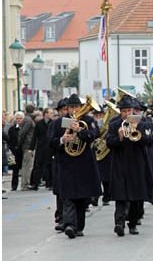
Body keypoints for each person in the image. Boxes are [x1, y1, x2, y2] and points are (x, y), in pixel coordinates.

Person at [49, 94, 101, 239]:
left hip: (84, 165)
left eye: (76, 107)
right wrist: (62, 140)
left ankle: (79, 227)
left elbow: (93, 136)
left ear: (81, 107)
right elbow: (51, 142)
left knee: (82, 199)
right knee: (68, 197)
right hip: (66, 164)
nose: (74, 110)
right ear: (67, 108)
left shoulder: (88, 121)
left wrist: (80, 131)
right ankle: (70, 225)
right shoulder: (59, 122)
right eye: (71, 107)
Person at [106, 95, 153, 236]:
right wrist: (119, 138)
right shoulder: (114, 124)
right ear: (120, 112)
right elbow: (109, 142)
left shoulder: (142, 123)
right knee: (120, 197)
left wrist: (138, 132)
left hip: (137, 164)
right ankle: (119, 223)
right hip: (120, 164)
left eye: (129, 111)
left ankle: (133, 223)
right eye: (124, 111)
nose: (127, 114)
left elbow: (149, 140)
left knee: (136, 197)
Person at [51, 98, 68, 231]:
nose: (66, 112)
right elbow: (51, 142)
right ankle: (61, 217)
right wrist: (62, 140)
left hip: (75, 162)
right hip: (61, 161)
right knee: (61, 192)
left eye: (68, 109)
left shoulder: (78, 122)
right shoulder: (56, 124)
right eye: (64, 110)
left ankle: (70, 218)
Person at [28, 108, 53, 190]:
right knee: (38, 165)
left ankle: (49, 184)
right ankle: (35, 184)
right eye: (50, 113)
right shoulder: (39, 124)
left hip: (50, 147)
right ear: (45, 114)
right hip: (41, 147)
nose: (51, 114)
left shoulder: (52, 123)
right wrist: (31, 148)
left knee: (49, 165)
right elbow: (35, 137)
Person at [18, 105, 36, 191]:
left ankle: (25, 184)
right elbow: (23, 133)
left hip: (26, 144)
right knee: (27, 165)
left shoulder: (27, 119)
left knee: (26, 165)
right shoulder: (29, 120)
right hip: (28, 145)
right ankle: (25, 184)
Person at [7, 112, 25, 191]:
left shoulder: (25, 128)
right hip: (14, 151)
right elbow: (9, 140)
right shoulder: (12, 129)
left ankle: (25, 184)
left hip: (23, 150)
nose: (19, 120)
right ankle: (14, 185)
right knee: (15, 169)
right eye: (17, 118)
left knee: (25, 168)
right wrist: (12, 148)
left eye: (20, 118)